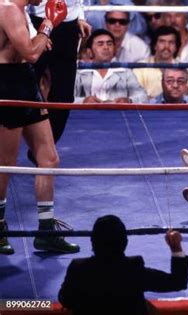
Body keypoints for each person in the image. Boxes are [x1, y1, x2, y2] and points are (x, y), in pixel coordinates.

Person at [0, 0, 79, 254]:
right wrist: (48, 25)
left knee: (49, 157)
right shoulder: (8, 10)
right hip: (6, 82)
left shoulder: (20, 11)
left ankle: (46, 231)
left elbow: (37, 47)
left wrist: (43, 35)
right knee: (6, 164)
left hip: (26, 80)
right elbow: (32, 53)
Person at [59, 215, 188, 315]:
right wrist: (176, 249)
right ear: (125, 242)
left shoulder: (79, 268)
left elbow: (65, 299)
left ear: (92, 242)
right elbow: (177, 282)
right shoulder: (133, 269)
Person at [28, 0, 92, 165]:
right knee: (25, 90)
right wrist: (32, 33)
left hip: (69, 28)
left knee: (64, 97)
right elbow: (16, 5)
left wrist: (80, 17)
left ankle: (42, 152)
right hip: (37, 23)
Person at [74, 29, 148, 104]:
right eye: (100, 44)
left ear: (115, 50)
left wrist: (129, 100)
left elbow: (143, 96)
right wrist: (83, 101)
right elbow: (66, 97)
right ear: (89, 52)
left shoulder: (125, 72)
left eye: (109, 44)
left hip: (117, 114)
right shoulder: (79, 73)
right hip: (86, 114)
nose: (106, 47)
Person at [133, 26, 184, 100]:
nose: (166, 46)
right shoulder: (140, 67)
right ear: (154, 45)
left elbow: (183, 96)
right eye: (162, 41)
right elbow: (137, 96)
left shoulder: (184, 68)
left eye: (171, 42)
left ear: (176, 47)